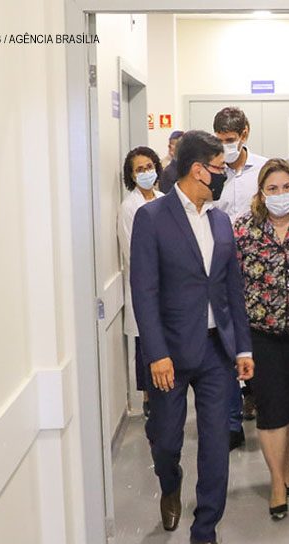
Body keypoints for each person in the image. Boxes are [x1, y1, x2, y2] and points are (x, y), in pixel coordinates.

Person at [130, 130, 255, 544]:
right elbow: (144, 291)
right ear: (198, 170)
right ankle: (170, 482)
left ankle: (205, 532)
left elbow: (232, 290)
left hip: (216, 351)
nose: (223, 174)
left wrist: (242, 347)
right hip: (169, 353)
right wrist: (156, 353)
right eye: (219, 168)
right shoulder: (152, 218)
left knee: (217, 444)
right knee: (166, 439)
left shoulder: (221, 221)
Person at [233, 159, 289, 520]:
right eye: (272, 188)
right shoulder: (243, 230)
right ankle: (276, 483)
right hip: (261, 334)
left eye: (286, 188)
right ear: (261, 193)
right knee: (270, 408)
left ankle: (287, 464)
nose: (280, 194)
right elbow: (232, 286)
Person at [212, 106, 269, 450]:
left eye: (230, 140)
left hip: (257, 271)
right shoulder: (211, 169)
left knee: (255, 340)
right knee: (225, 342)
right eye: (220, 140)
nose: (226, 146)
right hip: (219, 269)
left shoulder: (262, 170)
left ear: (244, 134)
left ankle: (258, 399)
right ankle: (232, 421)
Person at [118, 146, 165, 418]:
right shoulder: (129, 207)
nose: (146, 172)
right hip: (145, 284)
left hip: (168, 285)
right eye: (140, 169)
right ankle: (149, 400)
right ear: (131, 176)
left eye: (149, 166)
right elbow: (132, 253)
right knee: (146, 344)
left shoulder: (164, 199)